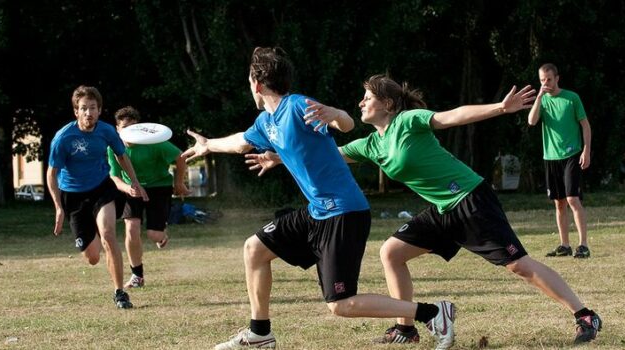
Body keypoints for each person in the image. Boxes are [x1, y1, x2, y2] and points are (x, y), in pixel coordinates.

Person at [247, 74, 602, 345]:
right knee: (392, 252)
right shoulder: (371, 144)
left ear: (386, 103)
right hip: (443, 210)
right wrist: (277, 157)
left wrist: (499, 108)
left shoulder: (408, 122)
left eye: (367, 98)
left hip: (470, 199)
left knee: (518, 265)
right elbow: (323, 155)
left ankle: (584, 315)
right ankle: (407, 329)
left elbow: (452, 117)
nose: (360, 103)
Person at [183, 47, 457, 350]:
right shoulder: (266, 122)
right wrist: (208, 145)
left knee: (341, 304)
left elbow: (346, 123)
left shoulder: (297, 105)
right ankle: (260, 333)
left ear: (257, 84)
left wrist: (336, 114)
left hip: (344, 213)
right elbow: (240, 143)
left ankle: (432, 312)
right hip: (317, 212)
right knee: (254, 249)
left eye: (249, 81)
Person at [47, 85, 148, 309]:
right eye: (83, 108)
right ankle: (91, 236)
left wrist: (135, 182)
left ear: (99, 110)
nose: (88, 113)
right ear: (76, 111)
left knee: (109, 236)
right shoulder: (63, 138)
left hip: (101, 189)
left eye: (92, 108)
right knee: (92, 257)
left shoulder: (106, 131)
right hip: (73, 196)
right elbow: (51, 174)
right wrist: (58, 207)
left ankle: (120, 293)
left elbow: (122, 157)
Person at [107, 106, 191, 289]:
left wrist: (179, 182)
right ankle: (137, 275)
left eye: (134, 128)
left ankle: (161, 236)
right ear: (117, 129)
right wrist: (128, 188)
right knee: (131, 227)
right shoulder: (113, 147)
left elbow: (180, 157)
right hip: (132, 189)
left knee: (154, 234)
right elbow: (115, 176)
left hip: (159, 187)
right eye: (125, 128)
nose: (131, 133)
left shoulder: (155, 143)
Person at [527, 63, 593, 259]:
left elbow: (586, 126)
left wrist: (586, 151)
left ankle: (583, 245)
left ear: (557, 78)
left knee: (572, 198)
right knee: (559, 203)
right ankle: (565, 245)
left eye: (548, 79)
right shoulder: (543, 100)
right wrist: (539, 97)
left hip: (572, 154)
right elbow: (531, 121)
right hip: (550, 157)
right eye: (542, 80)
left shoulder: (572, 98)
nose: (545, 83)